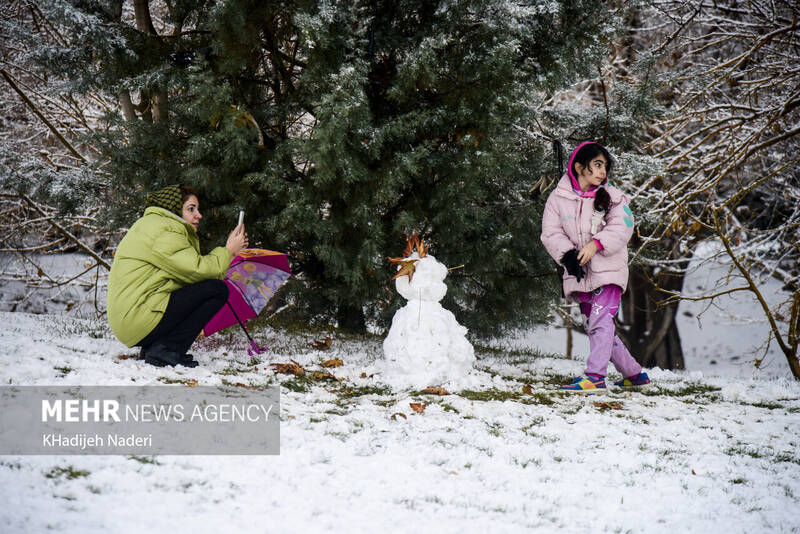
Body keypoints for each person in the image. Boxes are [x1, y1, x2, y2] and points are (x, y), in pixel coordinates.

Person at [541, 141, 650, 392]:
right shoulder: (557, 199)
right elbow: (551, 233)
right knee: (597, 327)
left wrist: (596, 245)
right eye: (597, 165)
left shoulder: (614, 198)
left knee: (601, 322)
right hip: (580, 274)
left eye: (605, 166)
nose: (603, 171)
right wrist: (567, 256)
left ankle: (595, 377)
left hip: (608, 271)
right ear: (579, 167)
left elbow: (622, 227)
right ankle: (634, 375)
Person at [107, 184, 248, 367]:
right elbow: (198, 270)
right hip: (137, 316)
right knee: (216, 290)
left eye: (197, 209)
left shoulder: (155, 225)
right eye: (191, 209)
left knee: (203, 289)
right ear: (173, 209)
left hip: (135, 316)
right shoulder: (165, 231)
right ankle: (165, 349)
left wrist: (229, 253)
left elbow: (186, 277)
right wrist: (229, 251)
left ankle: (155, 346)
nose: (199, 215)